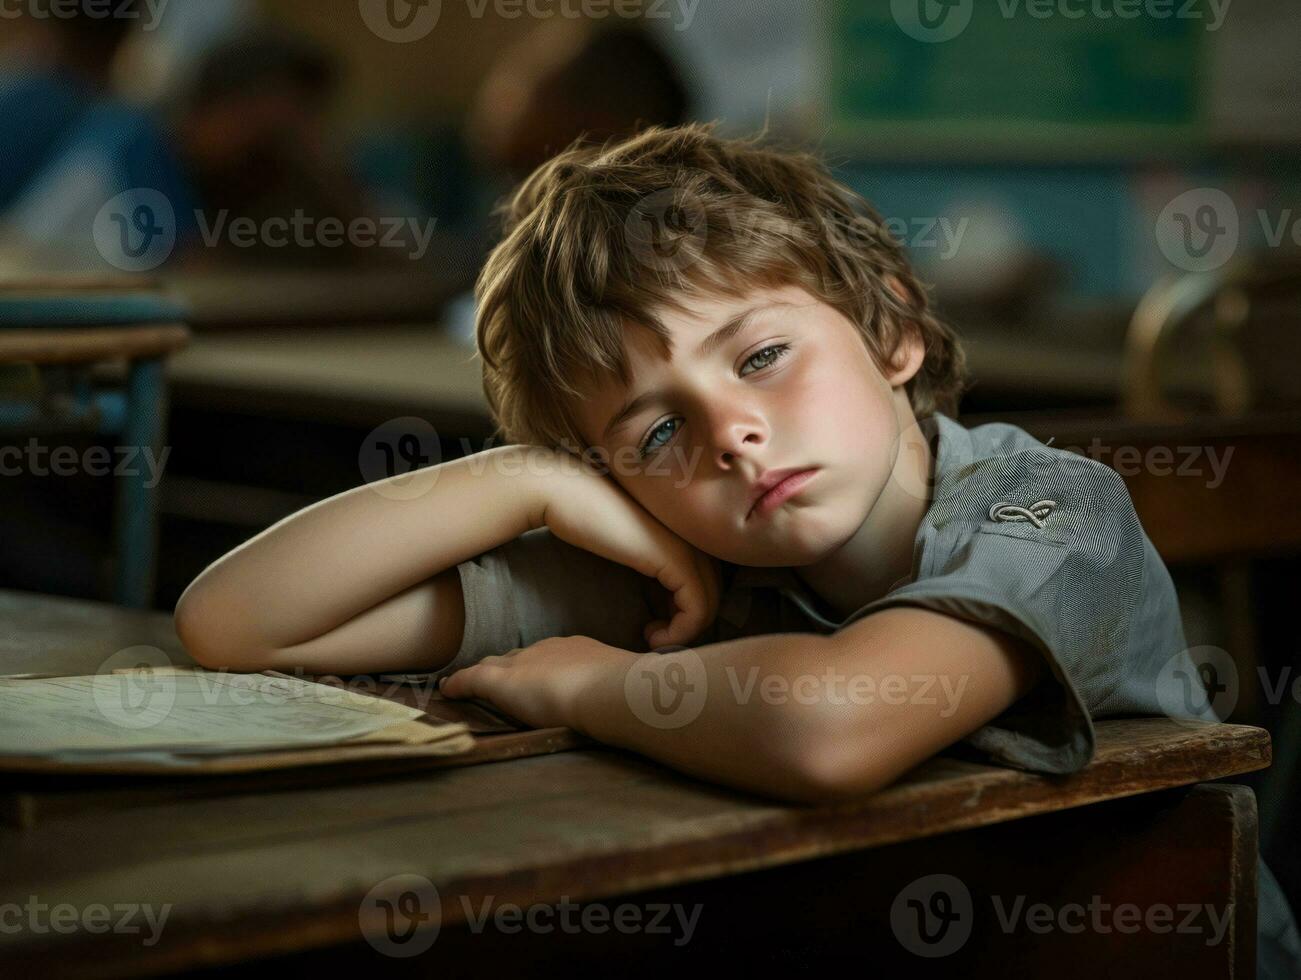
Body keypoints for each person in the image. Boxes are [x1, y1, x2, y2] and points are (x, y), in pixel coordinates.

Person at [172, 123, 1301, 977]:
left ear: (891, 330)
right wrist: (523, 480)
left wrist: (594, 679)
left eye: (758, 354)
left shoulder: (1055, 514)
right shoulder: (687, 562)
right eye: (656, 428)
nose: (727, 432)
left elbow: (827, 726)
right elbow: (240, 622)